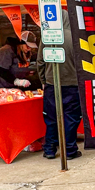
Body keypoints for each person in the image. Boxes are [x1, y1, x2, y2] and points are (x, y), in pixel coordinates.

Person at [36, 9, 82, 161]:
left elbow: (40, 62)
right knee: (71, 118)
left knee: (51, 118)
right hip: (72, 84)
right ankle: (70, 150)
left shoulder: (47, 36)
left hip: (52, 83)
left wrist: (44, 80)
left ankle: (49, 149)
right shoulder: (76, 37)